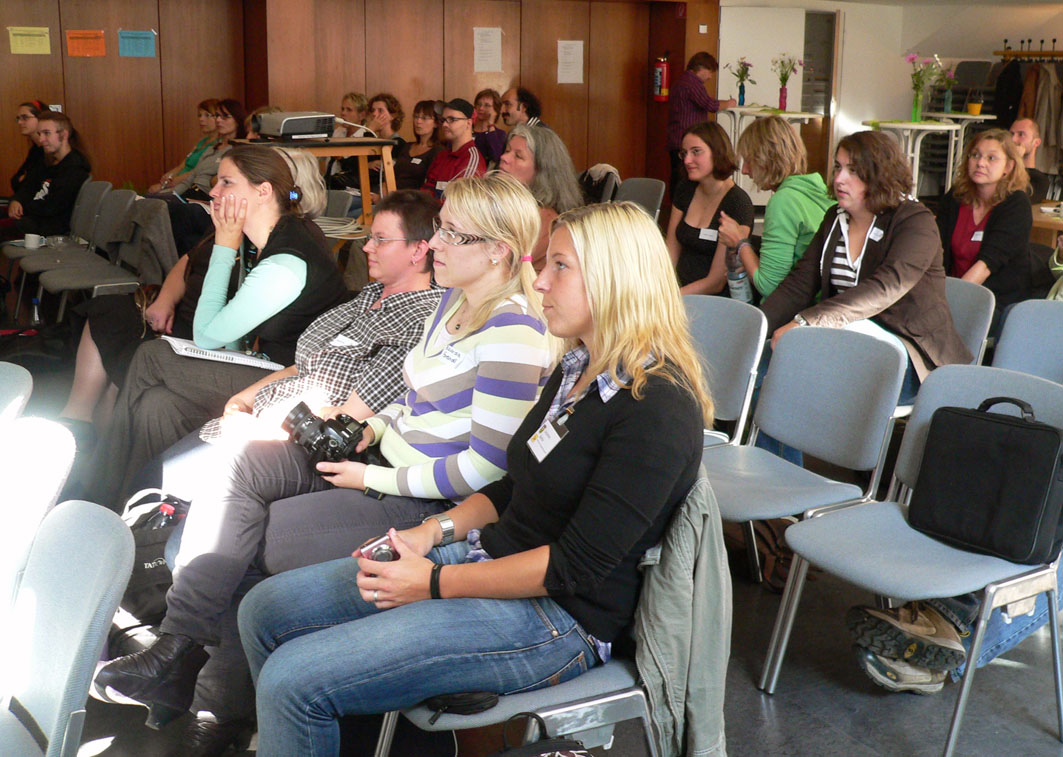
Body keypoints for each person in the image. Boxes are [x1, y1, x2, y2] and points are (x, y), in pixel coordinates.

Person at [94, 173, 556, 751]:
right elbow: (412, 402)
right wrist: (370, 428)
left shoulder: (513, 331)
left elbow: (486, 473)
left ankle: (217, 706)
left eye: (452, 235)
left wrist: (374, 474)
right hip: (378, 457)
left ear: (497, 251)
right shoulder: (452, 304)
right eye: (439, 228)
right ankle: (177, 649)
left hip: (424, 500)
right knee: (239, 464)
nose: (435, 243)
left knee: (249, 540)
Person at [235, 198, 712, 755]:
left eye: (560, 266)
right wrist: (429, 534)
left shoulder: (657, 408)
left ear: (616, 282)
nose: (540, 280)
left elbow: (573, 568)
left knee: (293, 680)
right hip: (488, 558)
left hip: (558, 620)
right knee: (263, 611)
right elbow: (511, 485)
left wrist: (435, 582)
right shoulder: (578, 368)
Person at [80, 145, 349, 508]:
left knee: (152, 356)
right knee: (157, 405)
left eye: (227, 182)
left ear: (263, 191)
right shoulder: (267, 241)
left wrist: (224, 245)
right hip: (268, 366)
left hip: (294, 384)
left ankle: (96, 496)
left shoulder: (285, 261)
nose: (214, 191)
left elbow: (206, 336)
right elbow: (229, 338)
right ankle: (145, 506)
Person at [762, 130, 971, 403]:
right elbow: (799, 285)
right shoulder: (835, 217)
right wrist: (754, 328)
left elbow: (886, 287)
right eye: (838, 167)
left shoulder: (915, 220)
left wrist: (806, 321)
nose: (839, 178)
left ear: (880, 174)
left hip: (910, 352)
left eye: (853, 170)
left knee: (796, 377)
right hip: (845, 344)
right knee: (760, 362)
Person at [719, 115, 834, 298]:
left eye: (749, 160)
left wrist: (740, 243)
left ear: (767, 159)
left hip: (797, 308)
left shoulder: (783, 201)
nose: (745, 170)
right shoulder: (818, 189)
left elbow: (769, 286)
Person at [936, 129, 1032, 318]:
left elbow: (987, 264)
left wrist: (951, 301)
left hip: (995, 302)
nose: (980, 163)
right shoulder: (955, 198)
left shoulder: (1016, 204)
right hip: (950, 291)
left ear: (1008, 166)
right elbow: (936, 250)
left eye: (991, 158)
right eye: (975, 155)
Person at [665, 121, 753, 295]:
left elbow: (715, 282)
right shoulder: (685, 189)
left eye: (696, 152)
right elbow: (669, 256)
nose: (687, 160)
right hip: (677, 291)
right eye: (684, 153)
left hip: (713, 299)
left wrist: (670, 298)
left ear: (717, 152)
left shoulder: (738, 203)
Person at [167, 98, 248, 255]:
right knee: (158, 203)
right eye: (217, 116)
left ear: (237, 120)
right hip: (191, 194)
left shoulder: (239, 150)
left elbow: (219, 182)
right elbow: (192, 176)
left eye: (225, 116)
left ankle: (171, 261)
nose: (218, 120)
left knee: (182, 211)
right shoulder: (212, 148)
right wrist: (173, 195)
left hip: (210, 201)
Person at [498, 123, 583, 271]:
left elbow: (502, 269)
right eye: (507, 150)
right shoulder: (505, 207)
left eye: (518, 156)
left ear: (542, 173)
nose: (504, 157)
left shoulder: (545, 222)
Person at [7, 111, 91, 237]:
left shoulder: (75, 169)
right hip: (31, 219)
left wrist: (23, 206)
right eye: (39, 134)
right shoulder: (48, 162)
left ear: (64, 135)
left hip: (47, 228)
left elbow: (51, 208)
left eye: (46, 133)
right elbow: (28, 186)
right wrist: (17, 200)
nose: (41, 139)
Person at [666, 52, 737, 197]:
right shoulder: (692, 83)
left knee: (678, 177)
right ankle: (684, 204)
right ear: (702, 68)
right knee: (684, 180)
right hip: (685, 138)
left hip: (675, 137)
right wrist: (729, 103)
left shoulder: (681, 81)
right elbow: (709, 105)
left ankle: (677, 204)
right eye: (710, 72)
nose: (710, 77)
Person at [149, 99, 220, 194]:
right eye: (199, 115)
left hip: (188, 186)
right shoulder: (202, 141)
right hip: (175, 182)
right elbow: (182, 165)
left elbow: (196, 172)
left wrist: (165, 185)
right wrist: (168, 176)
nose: (201, 119)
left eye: (207, 115)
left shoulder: (219, 145)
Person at [422, 98, 486, 201]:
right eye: (443, 120)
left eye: (451, 119)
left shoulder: (471, 159)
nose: (444, 124)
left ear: (468, 123)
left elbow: (459, 204)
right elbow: (426, 191)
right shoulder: (441, 156)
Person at [390, 99, 444, 192]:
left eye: (424, 118)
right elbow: (393, 175)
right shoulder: (407, 146)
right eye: (416, 117)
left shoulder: (438, 151)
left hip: (415, 198)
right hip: (393, 194)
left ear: (436, 123)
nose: (418, 121)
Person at [9, 99, 47, 194]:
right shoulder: (35, 150)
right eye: (18, 118)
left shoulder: (49, 150)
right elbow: (15, 182)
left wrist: (26, 178)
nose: (20, 122)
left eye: (25, 117)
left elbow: (35, 184)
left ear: (40, 118)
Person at [1010, 118, 1049, 203]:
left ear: (1036, 143)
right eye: (1011, 134)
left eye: (1021, 134)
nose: (1013, 139)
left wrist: (1017, 160)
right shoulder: (1000, 171)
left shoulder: (1040, 179)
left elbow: (1019, 202)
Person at [472, 87, 506, 164]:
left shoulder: (499, 134)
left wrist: (491, 125)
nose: (481, 108)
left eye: (487, 105)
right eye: (478, 104)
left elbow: (497, 158)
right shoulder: (467, 129)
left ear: (495, 110)